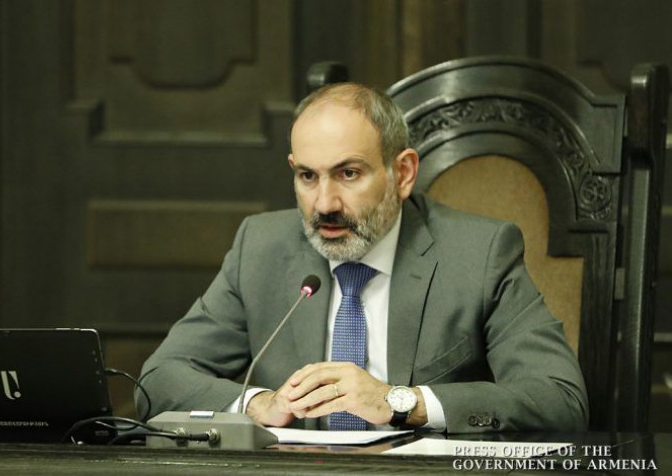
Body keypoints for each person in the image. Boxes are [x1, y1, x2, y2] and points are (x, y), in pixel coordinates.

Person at [136, 83, 588, 433]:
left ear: (402, 173)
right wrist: (258, 404)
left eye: (348, 173)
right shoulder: (261, 247)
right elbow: (159, 379)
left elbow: (559, 399)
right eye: (307, 176)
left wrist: (400, 402)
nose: (324, 203)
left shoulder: (479, 252)